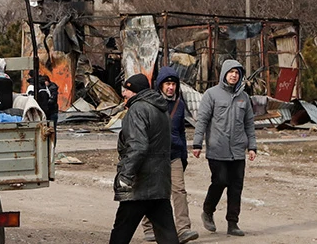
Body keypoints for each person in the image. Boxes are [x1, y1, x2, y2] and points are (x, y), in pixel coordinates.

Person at [108, 74, 179, 244]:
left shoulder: (137, 109)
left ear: (135, 92)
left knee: (121, 233)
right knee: (167, 235)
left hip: (140, 184)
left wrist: (125, 176)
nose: (124, 94)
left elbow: (138, 146)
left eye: (126, 90)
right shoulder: (161, 109)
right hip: (160, 182)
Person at [192, 60, 256, 237]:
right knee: (220, 181)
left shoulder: (244, 98)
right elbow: (202, 120)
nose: (234, 75)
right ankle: (208, 211)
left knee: (236, 187)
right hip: (217, 149)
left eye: (237, 72)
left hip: (237, 152)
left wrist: (252, 146)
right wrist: (197, 144)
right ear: (224, 74)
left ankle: (233, 223)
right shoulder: (211, 94)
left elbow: (249, 124)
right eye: (231, 72)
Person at [142, 67, 199, 243]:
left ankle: (183, 229)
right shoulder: (151, 103)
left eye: (173, 84)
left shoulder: (179, 104)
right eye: (167, 83)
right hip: (156, 155)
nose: (171, 87)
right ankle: (148, 226)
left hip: (174, 154)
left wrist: (184, 155)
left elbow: (181, 131)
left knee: (179, 190)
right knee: (154, 191)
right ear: (160, 85)